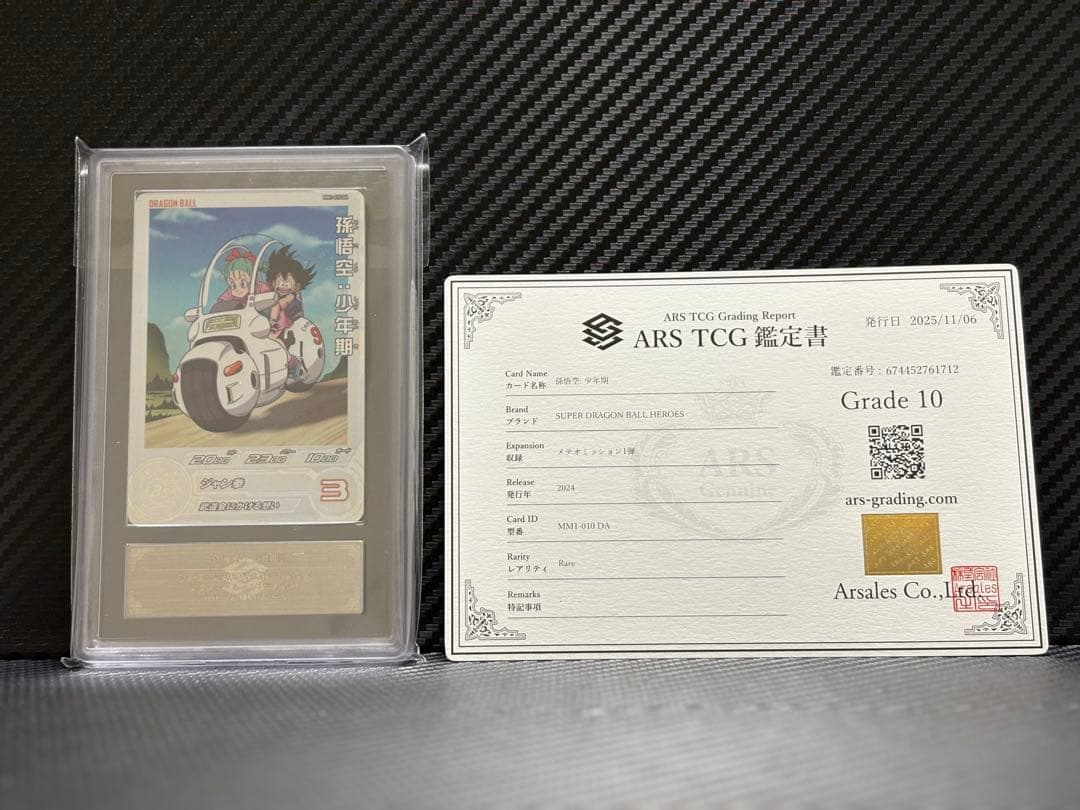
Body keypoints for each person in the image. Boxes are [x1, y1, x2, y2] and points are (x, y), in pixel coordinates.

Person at [209, 247, 269, 312]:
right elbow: (221, 303)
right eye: (234, 285)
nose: (238, 290)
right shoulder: (229, 293)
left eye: (242, 284)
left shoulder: (260, 288)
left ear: (252, 279)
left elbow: (269, 299)